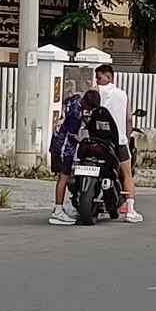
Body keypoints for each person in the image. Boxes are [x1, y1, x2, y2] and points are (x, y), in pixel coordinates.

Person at [87, 60, 141, 224]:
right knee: (127, 175)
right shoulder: (122, 94)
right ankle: (130, 211)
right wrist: (126, 134)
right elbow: (129, 118)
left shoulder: (95, 91)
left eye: (99, 77)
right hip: (119, 143)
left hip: (97, 141)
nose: (97, 81)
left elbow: (87, 108)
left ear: (108, 77)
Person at [47, 88, 87, 225]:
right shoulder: (76, 114)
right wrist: (81, 141)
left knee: (66, 177)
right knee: (63, 178)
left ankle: (62, 207)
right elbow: (73, 134)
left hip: (56, 142)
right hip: (64, 148)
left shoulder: (73, 101)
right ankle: (58, 211)